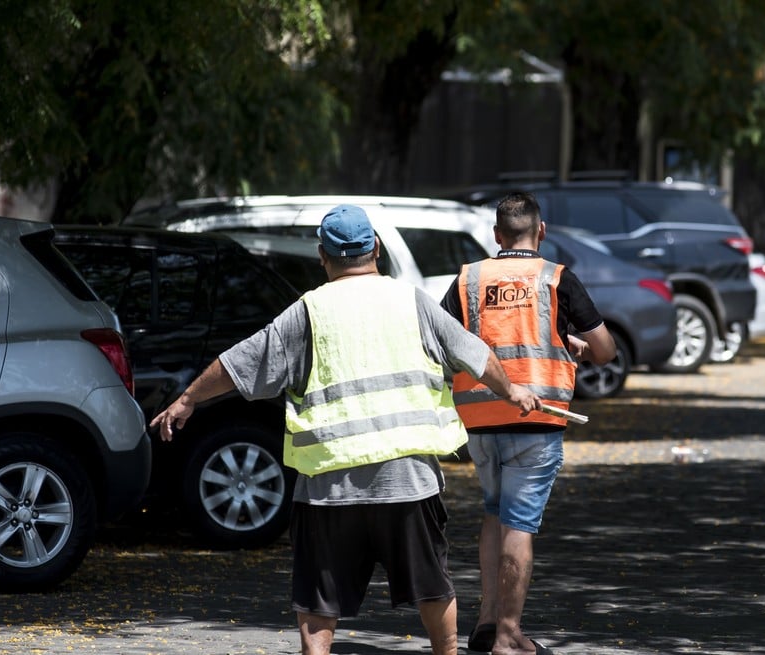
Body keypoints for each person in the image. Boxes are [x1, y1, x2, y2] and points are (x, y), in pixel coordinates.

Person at [150, 204, 541, 655]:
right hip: (407, 480)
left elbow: (239, 363)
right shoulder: (410, 301)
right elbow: (474, 353)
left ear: (322, 256)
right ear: (375, 248)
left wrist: (187, 399)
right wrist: (510, 390)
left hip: (327, 487)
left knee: (319, 601)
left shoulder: (309, 311)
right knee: (432, 586)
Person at [441, 191, 617, 655]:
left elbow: (444, 342)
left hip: (478, 419)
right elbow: (606, 350)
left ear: (496, 236)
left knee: (494, 513)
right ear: (540, 232)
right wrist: (572, 342)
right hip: (537, 420)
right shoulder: (557, 279)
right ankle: (508, 636)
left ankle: (485, 621)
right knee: (519, 524)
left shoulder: (468, 279)